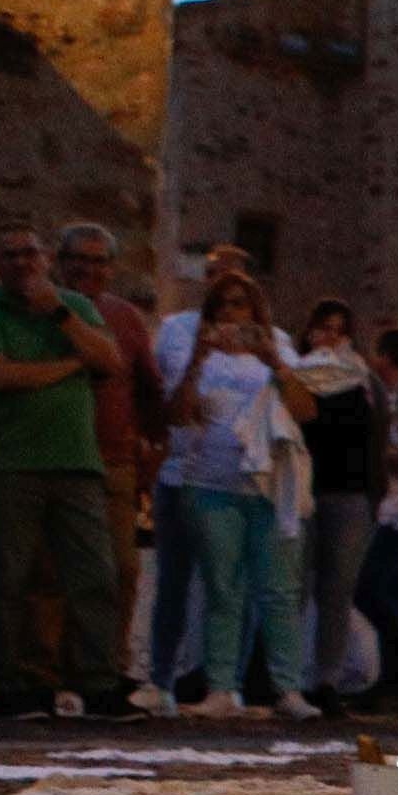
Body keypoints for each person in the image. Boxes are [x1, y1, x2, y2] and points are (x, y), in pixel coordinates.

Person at [0, 225, 130, 720]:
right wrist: (72, 365)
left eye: (30, 253)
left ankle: (100, 683)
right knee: (10, 580)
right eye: (10, 255)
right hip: (13, 464)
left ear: (46, 259)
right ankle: (13, 685)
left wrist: (57, 313)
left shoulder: (73, 305)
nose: (22, 263)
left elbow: (110, 361)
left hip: (77, 461)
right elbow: (0, 375)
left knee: (97, 574)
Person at [164, 267, 318, 720]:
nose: (231, 313)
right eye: (222, 305)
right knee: (222, 589)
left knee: (278, 591)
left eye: (240, 303)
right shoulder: (199, 353)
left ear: (255, 309)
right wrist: (196, 359)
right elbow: (178, 414)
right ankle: (221, 687)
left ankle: (287, 688)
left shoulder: (281, 347)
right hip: (212, 483)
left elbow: (307, 410)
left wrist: (274, 362)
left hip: (269, 488)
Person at [144, 242, 289, 701]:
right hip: (185, 473)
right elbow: (170, 402)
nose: (227, 295)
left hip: (250, 477)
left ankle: (222, 680)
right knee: (175, 580)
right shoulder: (175, 331)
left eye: (237, 284)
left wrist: (270, 358)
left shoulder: (274, 341)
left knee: (236, 587)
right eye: (215, 278)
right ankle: (160, 677)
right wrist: (200, 359)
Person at [54, 225, 168, 704]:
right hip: (56, 457)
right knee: (59, 573)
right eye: (80, 259)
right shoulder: (43, 312)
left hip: (114, 459)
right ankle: (59, 672)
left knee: (122, 569)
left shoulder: (124, 318)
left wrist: (153, 448)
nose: (89, 269)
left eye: (100, 261)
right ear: (61, 262)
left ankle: (108, 667)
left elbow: (148, 388)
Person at [291, 298, 386, 709]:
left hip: (348, 491)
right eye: (322, 327)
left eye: (338, 329)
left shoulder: (361, 379)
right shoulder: (295, 374)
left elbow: (378, 429)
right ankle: (287, 676)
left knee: (337, 590)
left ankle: (325, 678)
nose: (329, 336)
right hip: (304, 490)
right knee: (292, 588)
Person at [351, 327, 398, 706]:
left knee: (370, 589)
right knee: (390, 593)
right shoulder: (384, 400)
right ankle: (394, 678)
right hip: (393, 512)